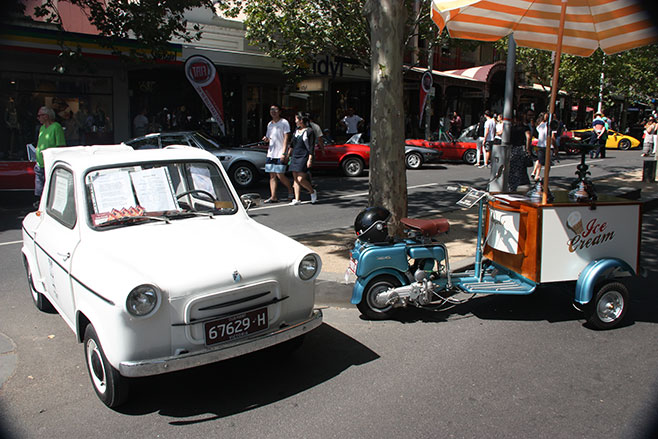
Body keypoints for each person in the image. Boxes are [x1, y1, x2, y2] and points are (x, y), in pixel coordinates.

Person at [34, 106, 66, 207]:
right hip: (40, 162)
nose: (38, 118)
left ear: (46, 116)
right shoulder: (42, 128)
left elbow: (60, 145)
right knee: (40, 187)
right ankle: (40, 203)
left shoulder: (56, 127)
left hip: (50, 163)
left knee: (50, 186)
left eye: (40, 116)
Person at [262, 104, 293, 203]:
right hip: (271, 153)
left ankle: (290, 190)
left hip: (280, 152)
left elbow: (286, 138)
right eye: (271, 109)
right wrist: (266, 139)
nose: (273, 111)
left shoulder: (284, 122)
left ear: (279, 111)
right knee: (272, 176)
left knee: (280, 174)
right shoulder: (270, 124)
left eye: (275, 109)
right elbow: (269, 138)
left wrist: (284, 153)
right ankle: (273, 196)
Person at [287, 113, 317, 205]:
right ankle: (297, 199)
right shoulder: (296, 131)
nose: (295, 121)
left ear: (301, 120)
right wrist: (288, 155)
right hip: (295, 155)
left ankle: (312, 191)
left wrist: (310, 158)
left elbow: (311, 147)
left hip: (304, 156)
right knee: (295, 178)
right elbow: (292, 145)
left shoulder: (309, 131)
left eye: (296, 119)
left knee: (300, 179)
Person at [508, 113, 532, 191]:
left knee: (513, 168)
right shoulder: (525, 128)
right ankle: (524, 183)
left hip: (513, 149)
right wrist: (528, 148)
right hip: (521, 148)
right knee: (521, 167)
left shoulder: (512, 128)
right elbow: (528, 137)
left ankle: (513, 185)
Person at [531, 112, 549, 181]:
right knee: (543, 161)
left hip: (539, 144)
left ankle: (534, 172)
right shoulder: (545, 125)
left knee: (539, 160)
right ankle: (538, 175)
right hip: (544, 144)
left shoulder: (538, 125)